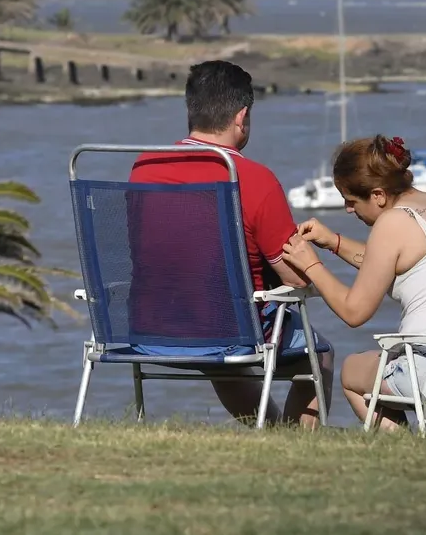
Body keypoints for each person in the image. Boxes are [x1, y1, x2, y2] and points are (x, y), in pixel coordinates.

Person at [128, 60, 334, 428]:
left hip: (153, 326)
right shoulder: (252, 179)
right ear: (242, 117)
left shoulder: (144, 167)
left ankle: (273, 434)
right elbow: (298, 277)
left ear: (192, 110)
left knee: (224, 343)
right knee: (319, 355)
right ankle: (294, 444)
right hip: (228, 331)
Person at [281, 134, 426, 432]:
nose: (348, 210)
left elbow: (355, 312)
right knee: (410, 370)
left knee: (353, 371)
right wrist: (333, 242)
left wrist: (310, 264)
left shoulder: (393, 222)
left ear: (378, 195)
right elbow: (393, 262)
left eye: (351, 201)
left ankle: (405, 452)